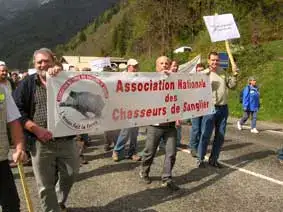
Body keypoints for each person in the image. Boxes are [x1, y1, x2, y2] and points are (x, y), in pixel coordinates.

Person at [13, 48, 79, 212]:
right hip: (40, 143)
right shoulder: (28, 83)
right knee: (44, 184)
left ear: (53, 61)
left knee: (70, 175)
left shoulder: (64, 79)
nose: (43, 64)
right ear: (34, 64)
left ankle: (58, 201)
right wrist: (35, 129)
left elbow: (82, 96)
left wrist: (62, 75)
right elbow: (17, 110)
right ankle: (51, 209)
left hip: (66, 140)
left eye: (46, 61)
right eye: (39, 62)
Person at [139, 56, 179, 191]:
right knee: (149, 152)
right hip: (154, 125)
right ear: (156, 66)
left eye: (167, 63)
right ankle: (144, 171)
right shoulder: (149, 81)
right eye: (161, 63)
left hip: (170, 125)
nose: (164, 65)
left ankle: (167, 178)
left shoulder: (175, 80)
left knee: (171, 153)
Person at [196, 52, 238, 168]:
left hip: (223, 108)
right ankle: (200, 159)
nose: (215, 62)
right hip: (210, 108)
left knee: (220, 136)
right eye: (213, 60)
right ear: (208, 61)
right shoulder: (203, 74)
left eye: (217, 60)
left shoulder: (223, 72)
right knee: (206, 134)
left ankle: (214, 159)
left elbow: (232, 86)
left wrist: (234, 75)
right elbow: (196, 90)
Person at [0, 83, 27, 212]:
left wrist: (19, 148)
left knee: (11, 204)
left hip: (0, 160)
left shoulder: (2, 90)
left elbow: (13, 120)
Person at [112, 59, 141, 162]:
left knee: (135, 132)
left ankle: (132, 153)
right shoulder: (121, 77)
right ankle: (117, 150)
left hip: (136, 107)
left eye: (136, 66)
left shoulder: (139, 76)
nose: (135, 68)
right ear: (128, 67)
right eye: (133, 66)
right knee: (126, 130)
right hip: (125, 108)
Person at [188, 63, 207, 163]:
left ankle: (199, 147)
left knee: (202, 129)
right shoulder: (192, 80)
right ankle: (192, 147)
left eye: (202, 70)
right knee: (195, 129)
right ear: (196, 71)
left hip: (204, 108)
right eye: (198, 70)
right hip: (194, 108)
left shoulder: (207, 81)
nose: (200, 72)